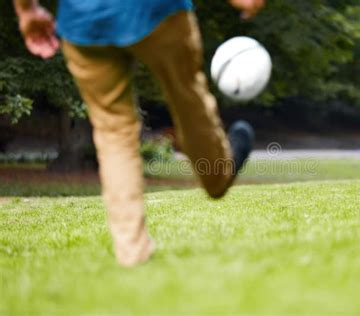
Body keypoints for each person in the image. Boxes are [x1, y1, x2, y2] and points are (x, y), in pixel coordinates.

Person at [14, 0, 265, 267]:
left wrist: (26, 10)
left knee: (113, 132)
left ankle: (131, 250)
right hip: (156, 10)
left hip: (85, 20)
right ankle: (217, 177)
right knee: (187, 98)